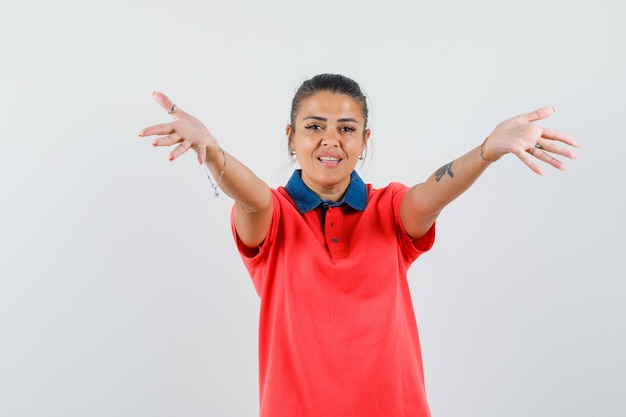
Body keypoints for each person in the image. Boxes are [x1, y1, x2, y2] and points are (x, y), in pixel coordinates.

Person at [139, 73, 578, 417]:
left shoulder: (389, 209)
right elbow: (250, 195)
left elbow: (432, 193)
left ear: (364, 141)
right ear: (291, 136)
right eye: (314, 127)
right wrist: (214, 153)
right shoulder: (271, 216)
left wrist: (486, 151)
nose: (330, 140)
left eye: (346, 128)